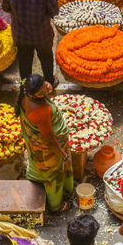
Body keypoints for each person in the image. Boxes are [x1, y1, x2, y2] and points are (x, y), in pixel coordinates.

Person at [15, 74, 73, 213]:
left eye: (45, 86)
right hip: (49, 151)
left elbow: (46, 87)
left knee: (41, 169)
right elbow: (50, 141)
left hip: (37, 147)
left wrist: (46, 88)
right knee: (52, 176)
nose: (46, 91)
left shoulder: (25, 97)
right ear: (31, 94)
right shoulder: (41, 111)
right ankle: (55, 205)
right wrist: (64, 157)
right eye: (41, 93)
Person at [2, 0, 60, 85]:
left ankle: (26, 85)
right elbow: (54, 12)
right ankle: (49, 81)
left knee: (24, 59)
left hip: (20, 35)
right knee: (46, 58)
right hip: (42, 35)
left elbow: (5, 7)